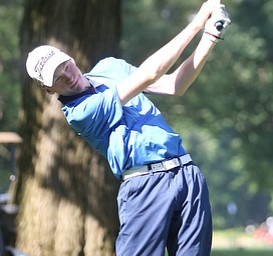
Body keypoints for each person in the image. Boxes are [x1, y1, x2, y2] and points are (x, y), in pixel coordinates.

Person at [26, 1, 231, 255]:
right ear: (49, 89)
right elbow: (149, 73)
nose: (68, 76)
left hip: (186, 173)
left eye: (65, 66)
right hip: (144, 185)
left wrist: (211, 35)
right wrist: (197, 23)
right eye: (58, 77)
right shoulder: (80, 112)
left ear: (70, 58)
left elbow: (173, 86)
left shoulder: (110, 67)